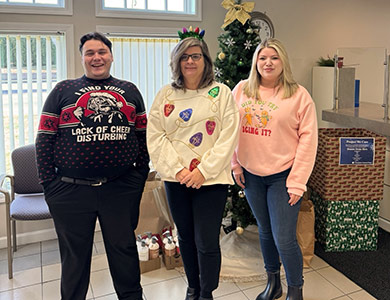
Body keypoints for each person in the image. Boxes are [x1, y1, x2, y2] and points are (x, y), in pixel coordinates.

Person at [35, 32, 149, 300]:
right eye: (90, 53)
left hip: (120, 188)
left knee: (125, 253)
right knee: (75, 259)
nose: (96, 57)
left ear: (111, 56)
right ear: (82, 58)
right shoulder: (63, 90)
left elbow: (143, 136)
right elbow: (44, 139)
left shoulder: (130, 90)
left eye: (102, 52)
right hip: (70, 191)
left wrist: (139, 176)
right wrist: (49, 185)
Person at [146, 27, 240, 300]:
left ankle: (207, 290)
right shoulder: (166, 95)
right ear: (177, 61)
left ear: (206, 60)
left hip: (211, 181)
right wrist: (178, 170)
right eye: (184, 56)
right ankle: (193, 287)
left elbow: (228, 136)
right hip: (177, 180)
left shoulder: (220, 93)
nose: (190, 61)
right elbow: (156, 136)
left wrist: (202, 171)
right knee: (185, 238)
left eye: (196, 56)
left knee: (207, 241)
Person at [231, 38, 318, 300]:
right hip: (252, 175)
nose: (267, 62)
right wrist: (235, 164)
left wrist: (297, 181)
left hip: (283, 177)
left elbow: (309, 139)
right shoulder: (242, 90)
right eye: (262, 57)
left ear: (283, 62)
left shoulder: (298, 95)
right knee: (266, 232)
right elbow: (230, 130)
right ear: (255, 62)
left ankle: (295, 290)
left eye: (274, 58)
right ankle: (273, 284)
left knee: (284, 237)